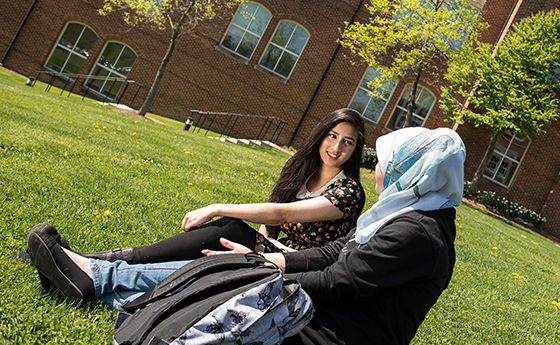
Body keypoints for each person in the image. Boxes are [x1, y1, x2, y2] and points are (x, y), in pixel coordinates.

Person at [27, 126, 465, 344]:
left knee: (227, 279)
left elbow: (340, 281)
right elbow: (337, 253)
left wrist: (260, 269)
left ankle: (99, 276)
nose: (376, 169)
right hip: (329, 311)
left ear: (414, 171)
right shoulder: (410, 213)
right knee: (230, 265)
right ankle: (99, 273)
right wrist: (273, 261)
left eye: (385, 161)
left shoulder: (417, 232)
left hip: (336, 333)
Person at [40, 108, 367, 269]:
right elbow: (274, 218)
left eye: (347, 142)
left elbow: (282, 213)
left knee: (229, 227)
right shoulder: (303, 170)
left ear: (355, 150)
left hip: (301, 264)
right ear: (321, 134)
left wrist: (216, 207)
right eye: (332, 136)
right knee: (216, 244)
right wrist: (264, 237)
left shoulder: (348, 192)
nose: (336, 147)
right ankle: (95, 262)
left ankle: (96, 262)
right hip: (276, 251)